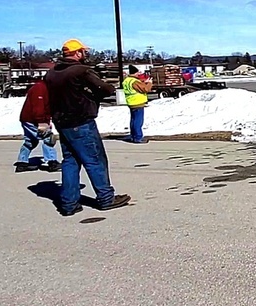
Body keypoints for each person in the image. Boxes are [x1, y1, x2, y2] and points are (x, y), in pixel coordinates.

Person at [44, 39, 130, 216]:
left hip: (62, 123)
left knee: (70, 161)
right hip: (81, 122)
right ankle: (106, 197)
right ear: (77, 53)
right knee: (95, 160)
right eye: (83, 52)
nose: (85, 54)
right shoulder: (81, 71)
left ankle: (69, 203)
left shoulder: (51, 74)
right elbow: (105, 89)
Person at [14, 80, 60, 173]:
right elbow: (38, 107)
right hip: (32, 119)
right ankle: (52, 162)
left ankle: (22, 163)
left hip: (29, 118)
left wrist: (47, 121)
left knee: (30, 141)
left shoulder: (45, 88)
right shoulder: (40, 88)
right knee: (48, 138)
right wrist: (41, 122)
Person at [121, 65, 152, 143]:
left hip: (131, 102)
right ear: (134, 73)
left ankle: (133, 136)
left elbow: (137, 87)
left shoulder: (127, 80)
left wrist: (143, 82)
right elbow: (145, 89)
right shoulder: (134, 81)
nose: (139, 73)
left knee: (133, 120)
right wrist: (149, 83)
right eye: (137, 72)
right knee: (138, 121)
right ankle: (138, 137)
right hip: (138, 103)